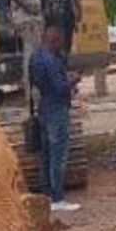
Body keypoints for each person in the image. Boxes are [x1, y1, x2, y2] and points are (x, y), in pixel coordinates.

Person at [29, 24, 81, 212]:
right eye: (60, 42)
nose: (62, 46)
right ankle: (58, 198)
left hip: (43, 108)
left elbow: (36, 82)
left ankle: (49, 196)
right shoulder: (51, 60)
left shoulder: (35, 57)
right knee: (58, 154)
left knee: (46, 155)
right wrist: (73, 80)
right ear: (55, 40)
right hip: (56, 109)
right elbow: (59, 87)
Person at [3, 0, 43, 104]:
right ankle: (33, 96)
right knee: (32, 58)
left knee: (34, 57)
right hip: (28, 22)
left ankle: (34, 94)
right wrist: (28, 7)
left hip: (31, 21)